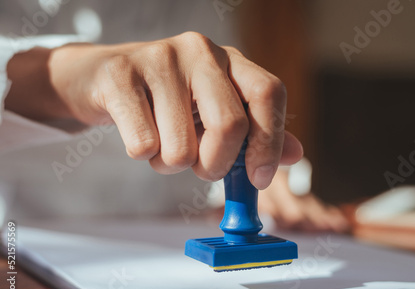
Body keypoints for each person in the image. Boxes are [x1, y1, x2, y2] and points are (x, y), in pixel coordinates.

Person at [0, 0, 349, 232]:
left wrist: (264, 177)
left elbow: (216, 114)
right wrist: (68, 75)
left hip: (178, 227)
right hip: (22, 241)